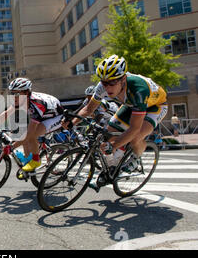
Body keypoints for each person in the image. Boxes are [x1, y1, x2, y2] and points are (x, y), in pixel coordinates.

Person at [66, 55, 168, 190]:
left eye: (112, 83)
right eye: (104, 82)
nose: (107, 87)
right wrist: (72, 122)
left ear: (123, 79)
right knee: (107, 134)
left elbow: (134, 128)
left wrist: (114, 145)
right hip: (131, 105)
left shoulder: (138, 89)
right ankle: (111, 170)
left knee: (135, 137)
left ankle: (136, 157)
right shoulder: (102, 86)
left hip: (155, 107)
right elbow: (89, 109)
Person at [0, 78, 64, 173]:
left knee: (32, 135)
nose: (14, 96)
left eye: (17, 94)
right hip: (43, 114)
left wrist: (12, 147)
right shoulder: (20, 100)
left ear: (26, 92)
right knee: (24, 136)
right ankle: (28, 163)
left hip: (55, 117)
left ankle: (36, 160)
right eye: (12, 93)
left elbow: (30, 134)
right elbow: (6, 113)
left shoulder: (37, 104)